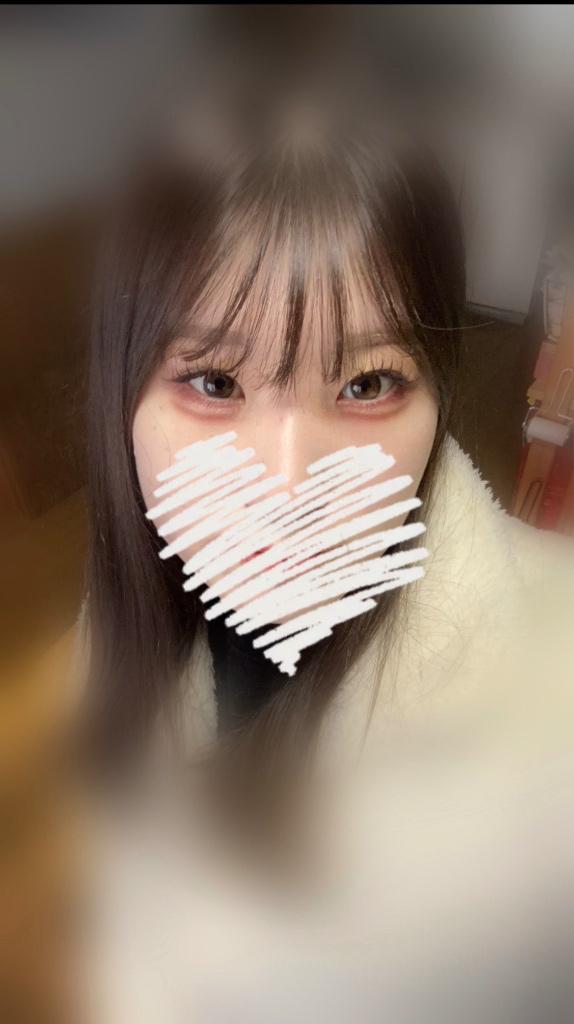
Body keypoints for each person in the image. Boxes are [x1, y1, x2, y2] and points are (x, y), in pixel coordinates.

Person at [79, 85, 574, 1024]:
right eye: (215, 381)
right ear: (120, 393)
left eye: (368, 382)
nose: (288, 484)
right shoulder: (118, 627)